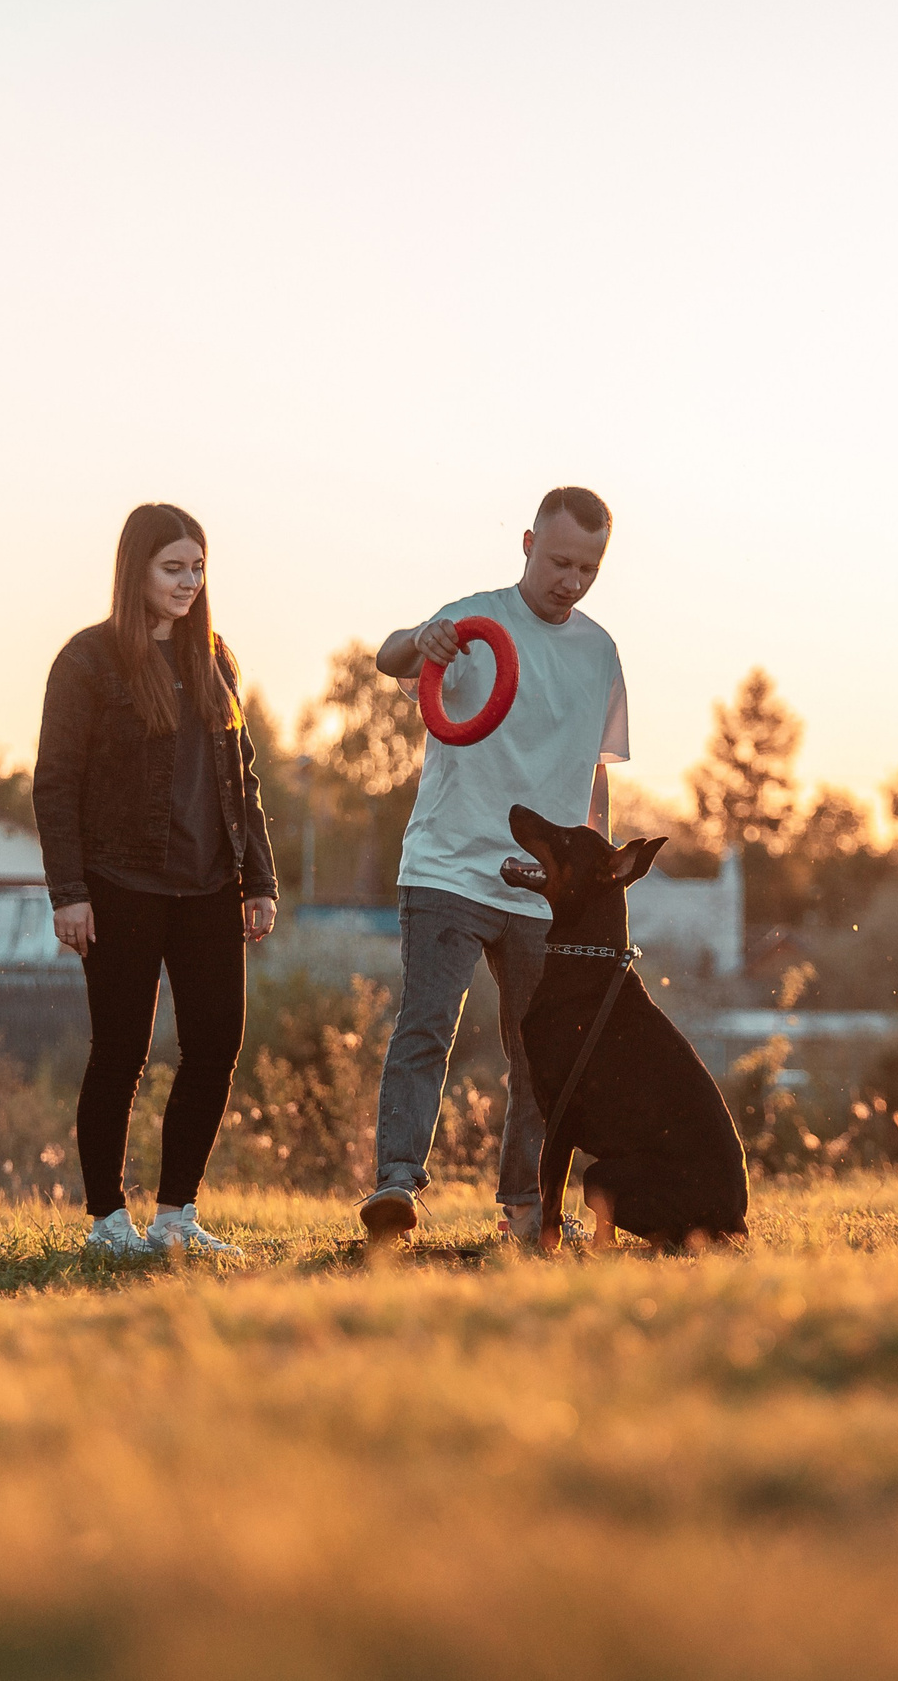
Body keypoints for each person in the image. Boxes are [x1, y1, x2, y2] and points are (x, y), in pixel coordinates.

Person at [361, 486, 628, 1245]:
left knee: (540, 1054)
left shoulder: (601, 652)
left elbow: (594, 768)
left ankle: (526, 1209)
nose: (570, 580)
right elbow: (387, 658)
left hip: (541, 888)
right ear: (526, 543)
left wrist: (594, 866)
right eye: (558, 560)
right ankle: (395, 1188)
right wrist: (424, 638)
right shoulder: (474, 622)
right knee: (425, 1028)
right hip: (448, 866)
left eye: (587, 566)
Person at [34, 503, 279, 1256]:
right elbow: (55, 782)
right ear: (135, 569)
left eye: (197, 567)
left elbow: (242, 777)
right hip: (120, 887)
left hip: (209, 887)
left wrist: (259, 878)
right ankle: (109, 1220)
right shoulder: (87, 662)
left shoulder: (217, 658)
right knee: (120, 1052)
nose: (188, 581)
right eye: (173, 567)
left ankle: (176, 1217)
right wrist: (69, 892)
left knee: (215, 1045)